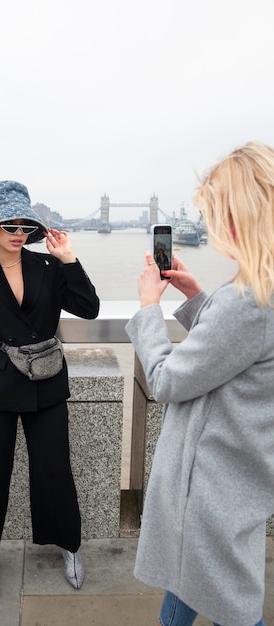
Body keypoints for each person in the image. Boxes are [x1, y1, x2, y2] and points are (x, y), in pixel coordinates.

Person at [125, 142, 274, 626]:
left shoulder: (247, 300)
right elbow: (232, 352)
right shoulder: (258, 293)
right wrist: (195, 296)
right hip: (241, 475)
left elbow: (167, 379)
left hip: (208, 487)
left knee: (231, 605)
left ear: (234, 220)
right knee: (192, 585)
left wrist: (150, 308)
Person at [0, 180, 99, 600]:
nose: (18, 233)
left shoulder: (50, 267)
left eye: (23, 226)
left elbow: (89, 309)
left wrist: (70, 260)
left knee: (55, 469)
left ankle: (69, 547)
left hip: (47, 380)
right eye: (8, 225)